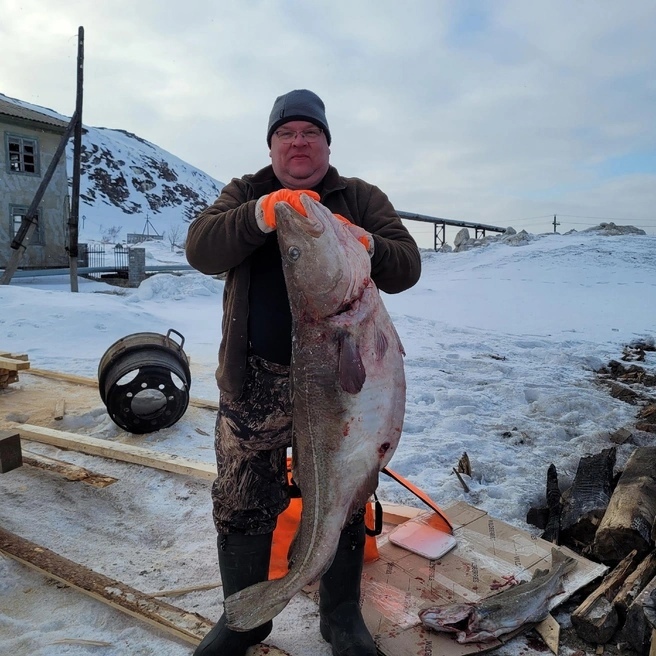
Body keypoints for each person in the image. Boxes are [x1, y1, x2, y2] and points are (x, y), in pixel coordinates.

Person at [185, 89, 421, 656]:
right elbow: (201, 249)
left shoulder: (358, 198)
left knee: (341, 492)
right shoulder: (246, 193)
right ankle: (246, 619)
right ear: (271, 145)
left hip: (342, 384)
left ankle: (340, 617)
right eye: (286, 133)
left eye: (309, 132)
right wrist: (260, 215)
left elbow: (406, 264)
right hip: (256, 383)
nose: (298, 141)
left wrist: (368, 244)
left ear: (326, 143)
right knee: (243, 498)